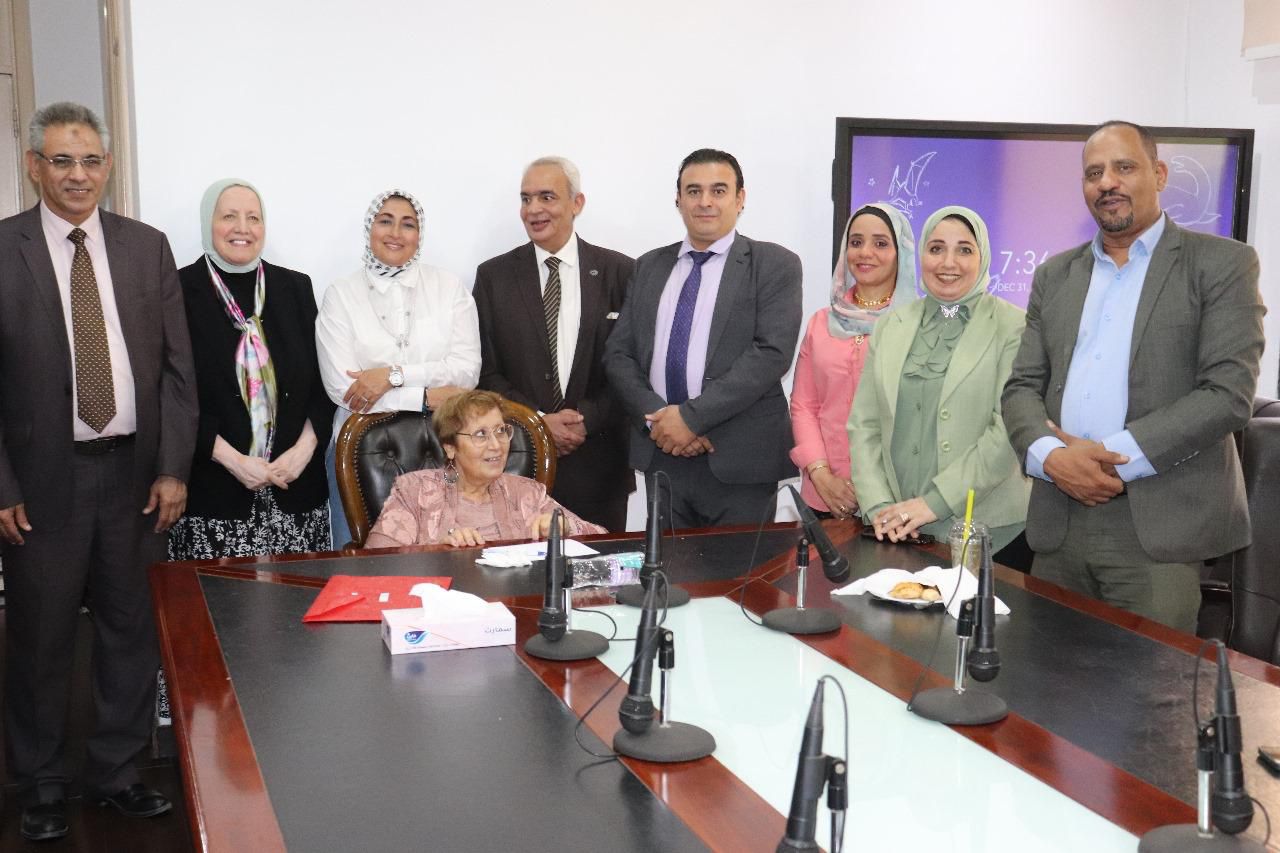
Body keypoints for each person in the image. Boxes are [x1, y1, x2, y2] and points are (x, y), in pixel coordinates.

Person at [0, 101, 197, 840]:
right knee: (40, 637)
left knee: (129, 631)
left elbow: (178, 372)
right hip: (40, 484)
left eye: (89, 161)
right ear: (35, 167)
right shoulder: (4, 248)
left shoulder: (147, 247)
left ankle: (115, 772)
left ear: (108, 166)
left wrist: (173, 468)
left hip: (135, 479)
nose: (77, 175)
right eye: (62, 160)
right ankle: (42, 783)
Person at [1002, 120, 1265, 632]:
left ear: (1159, 174)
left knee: (1148, 681)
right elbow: (1021, 388)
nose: (1107, 182)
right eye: (1094, 173)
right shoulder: (1055, 275)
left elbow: (1228, 393)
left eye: (1124, 167)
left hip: (1160, 529)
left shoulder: (1222, 263)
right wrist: (1053, 457)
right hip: (1059, 521)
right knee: (1050, 675)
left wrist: (1109, 460)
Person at [604, 148, 802, 528]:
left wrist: (691, 419)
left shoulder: (774, 264)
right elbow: (619, 354)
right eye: (693, 191)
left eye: (718, 190)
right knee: (667, 566)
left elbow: (771, 353)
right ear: (678, 200)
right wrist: (660, 422)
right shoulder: (649, 266)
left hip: (739, 458)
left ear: (740, 199)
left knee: (741, 568)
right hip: (662, 454)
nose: (705, 201)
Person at [849, 205, 1029, 556]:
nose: (948, 263)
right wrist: (879, 507)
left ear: (983, 256)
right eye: (936, 249)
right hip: (895, 528)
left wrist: (933, 503)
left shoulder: (1014, 326)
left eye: (964, 250)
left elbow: (1007, 432)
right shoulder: (891, 325)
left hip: (989, 534)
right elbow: (864, 424)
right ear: (921, 255)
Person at [170, 178, 333, 559]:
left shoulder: (295, 288)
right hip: (215, 496)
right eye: (229, 216)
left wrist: (303, 451)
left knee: (297, 597)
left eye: (253, 217)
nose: (242, 228)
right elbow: (172, 395)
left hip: (296, 493)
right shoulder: (178, 290)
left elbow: (323, 384)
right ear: (208, 223)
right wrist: (233, 461)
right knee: (220, 598)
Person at [472, 157, 634, 530]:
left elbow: (633, 366)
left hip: (600, 469)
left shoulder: (621, 272)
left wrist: (586, 420)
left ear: (577, 203)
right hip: (516, 467)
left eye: (547, 197)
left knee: (597, 568)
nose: (534, 209)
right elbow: (485, 372)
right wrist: (538, 421)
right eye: (526, 199)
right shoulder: (494, 277)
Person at [316, 189, 480, 548]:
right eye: (385, 221)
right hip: (357, 452)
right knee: (360, 566)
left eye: (408, 224)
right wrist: (424, 397)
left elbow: (466, 372)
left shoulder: (448, 287)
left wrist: (392, 377)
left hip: (441, 448)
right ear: (369, 228)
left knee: (443, 558)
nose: (396, 233)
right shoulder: (341, 294)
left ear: (419, 235)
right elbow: (343, 389)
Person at [790, 203, 917, 520]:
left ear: (900, 253)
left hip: (897, 498)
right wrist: (820, 474)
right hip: (823, 495)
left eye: (881, 243)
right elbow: (804, 406)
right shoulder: (821, 323)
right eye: (856, 242)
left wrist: (873, 487)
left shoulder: (917, 325)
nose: (865, 253)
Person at [365, 390, 605, 547]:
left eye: (501, 431)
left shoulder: (527, 493)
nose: (496, 445)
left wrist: (566, 528)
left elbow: (602, 539)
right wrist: (437, 550)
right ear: (450, 447)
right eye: (481, 434)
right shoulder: (415, 491)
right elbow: (377, 562)